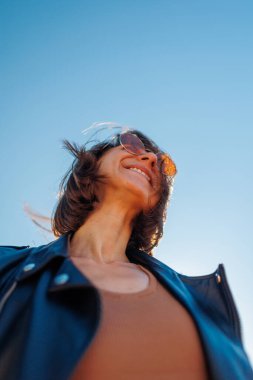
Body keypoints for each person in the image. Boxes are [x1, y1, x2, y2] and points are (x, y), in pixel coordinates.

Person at [0, 127, 252, 380]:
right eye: (132, 144)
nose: (151, 159)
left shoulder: (207, 305)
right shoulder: (7, 268)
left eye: (162, 166)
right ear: (92, 165)